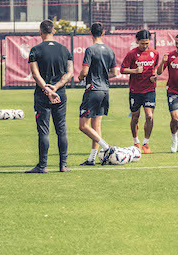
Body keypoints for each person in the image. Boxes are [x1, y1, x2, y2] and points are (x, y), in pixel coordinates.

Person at [26, 19, 73, 173]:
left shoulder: (35, 50)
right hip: (60, 94)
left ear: (40, 32)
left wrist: (47, 89)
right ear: (54, 31)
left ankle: (42, 166)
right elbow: (70, 73)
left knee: (44, 131)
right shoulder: (64, 49)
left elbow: (35, 74)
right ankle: (63, 165)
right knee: (61, 130)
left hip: (43, 95)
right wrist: (56, 87)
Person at [77, 23, 117, 166]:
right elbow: (115, 73)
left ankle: (107, 148)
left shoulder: (90, 49)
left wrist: (80, 77)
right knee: (96, 125)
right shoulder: (109, 50)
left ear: (90, 33)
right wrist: (103, 77)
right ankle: (92, 158)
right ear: (104, 33)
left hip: (93, 90)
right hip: (105, 90)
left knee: (83, 125)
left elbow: (85, 71)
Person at [120, 30, 160, 154]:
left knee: (149, 116)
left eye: (147, 43)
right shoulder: (132, 54)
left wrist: (155, 76)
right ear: (137, 41)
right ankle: (135, 141)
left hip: (149, 90)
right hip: (135, 91)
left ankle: (146, 142)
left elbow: (156, 69)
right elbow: (122, 69)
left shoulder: (154, 53)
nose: (145, 46)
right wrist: (135, 71)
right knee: (135, 117)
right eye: (142, 43)